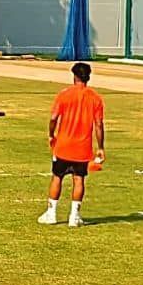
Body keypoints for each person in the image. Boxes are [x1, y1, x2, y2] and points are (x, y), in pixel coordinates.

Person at [38, 62, 105, 227]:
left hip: (63, 145)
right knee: (79, 179)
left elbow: (53, 118)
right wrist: (101, 147)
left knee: (57, 177)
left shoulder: (64, 94)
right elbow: (98, 125)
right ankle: (74, 217)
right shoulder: (95, 98)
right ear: (88, 77)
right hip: (83, 147)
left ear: (74, 76)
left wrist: (51, 134)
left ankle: (51, 213)